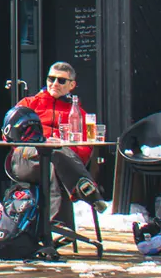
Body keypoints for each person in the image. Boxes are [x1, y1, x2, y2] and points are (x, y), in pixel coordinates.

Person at [13, 61, 106, 209]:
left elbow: (85, 150)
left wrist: (64, 148)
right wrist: (44, 140)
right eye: (51, 79)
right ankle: (87, 190)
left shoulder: (78, 113)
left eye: (61, 80)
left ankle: (57, 222)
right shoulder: (28, 104)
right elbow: (9, 134)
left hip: (58, 162)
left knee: (54, 164)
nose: (55, 83)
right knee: (54, 156)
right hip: (26, 159)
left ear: (72, 85)